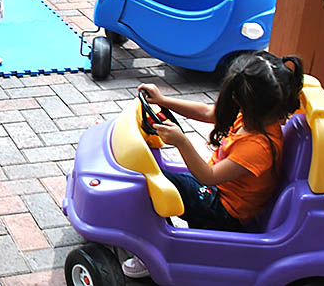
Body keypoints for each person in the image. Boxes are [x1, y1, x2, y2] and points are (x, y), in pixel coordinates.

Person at [123, 51, 304, 278]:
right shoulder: (255, 116)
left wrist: (181, 141)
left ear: (238, 98)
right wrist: (162, 100)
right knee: (161, 177)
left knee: (152, 184)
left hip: (226, 214)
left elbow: (207, 176)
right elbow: (210, 112)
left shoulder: (257, 148)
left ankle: (150, 252)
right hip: (219, 193)